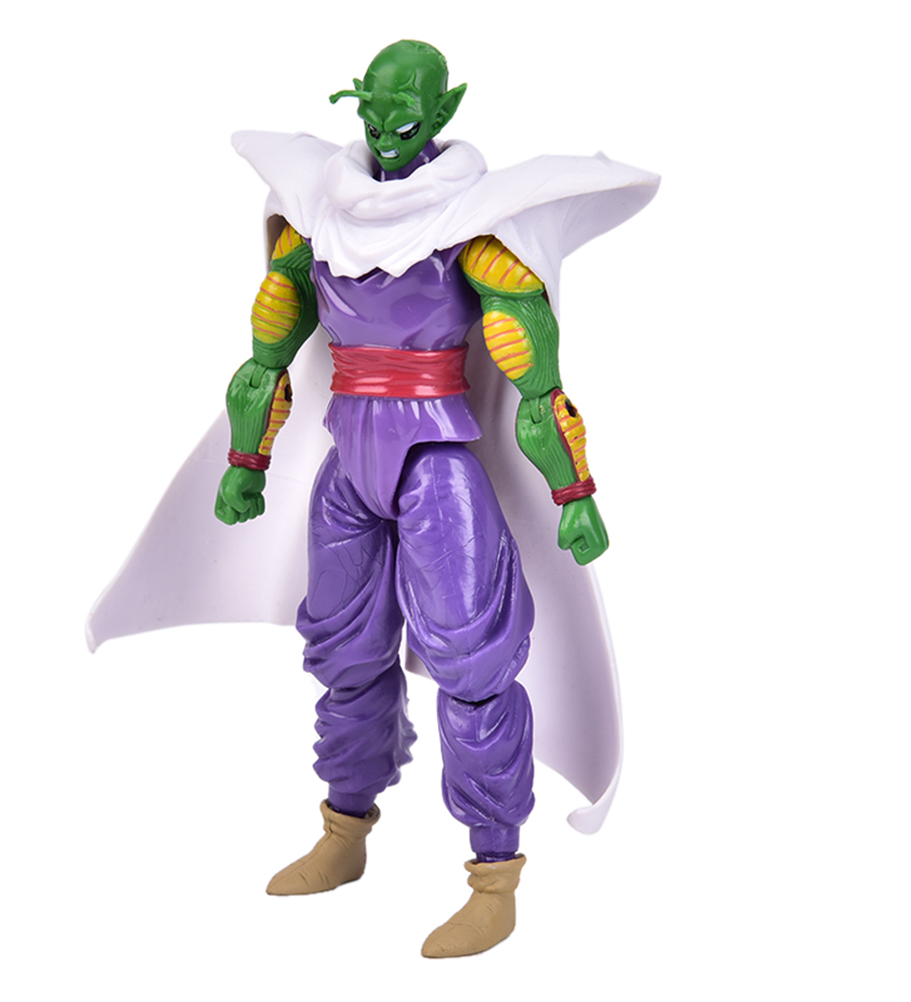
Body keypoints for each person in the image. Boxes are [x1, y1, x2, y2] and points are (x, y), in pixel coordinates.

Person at [210, 39, 657, 957]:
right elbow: (265, 359)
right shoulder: (317, 224)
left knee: (472, 666)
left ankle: (495, 876)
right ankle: (345, 830)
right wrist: (246, 460)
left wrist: (573, 491)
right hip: (350, 462)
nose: (383, 129)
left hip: (436, 465)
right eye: (368, 109)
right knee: (344, 652)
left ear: (443, 111)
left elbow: (535, 379)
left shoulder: (475, 234)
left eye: (403, 111)